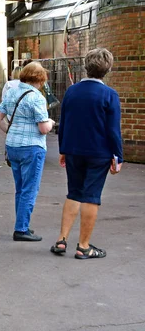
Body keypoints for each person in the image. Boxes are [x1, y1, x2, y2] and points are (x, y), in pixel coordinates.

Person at [50, 48, 122, 259]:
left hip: (73, 150)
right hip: (99, 152)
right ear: (107, 68)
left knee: (74, 192)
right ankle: (83, 246)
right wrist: (118, 156)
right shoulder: (110, 95)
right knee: (91, 196)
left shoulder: (72, 91)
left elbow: (64, 123)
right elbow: (113, 130)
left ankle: (61, 240)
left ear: (86, 66)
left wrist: (63, 148)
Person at [0, 62, 55, 242]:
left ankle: (23, 224)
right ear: (41, 79)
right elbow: (43, 128)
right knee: (30, 189)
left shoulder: (12, 91)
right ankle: (21, 229)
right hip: (32, 147)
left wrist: (10, 132)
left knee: (20, 189)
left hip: (13, 146)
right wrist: (51, 122)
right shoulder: (37, 97)